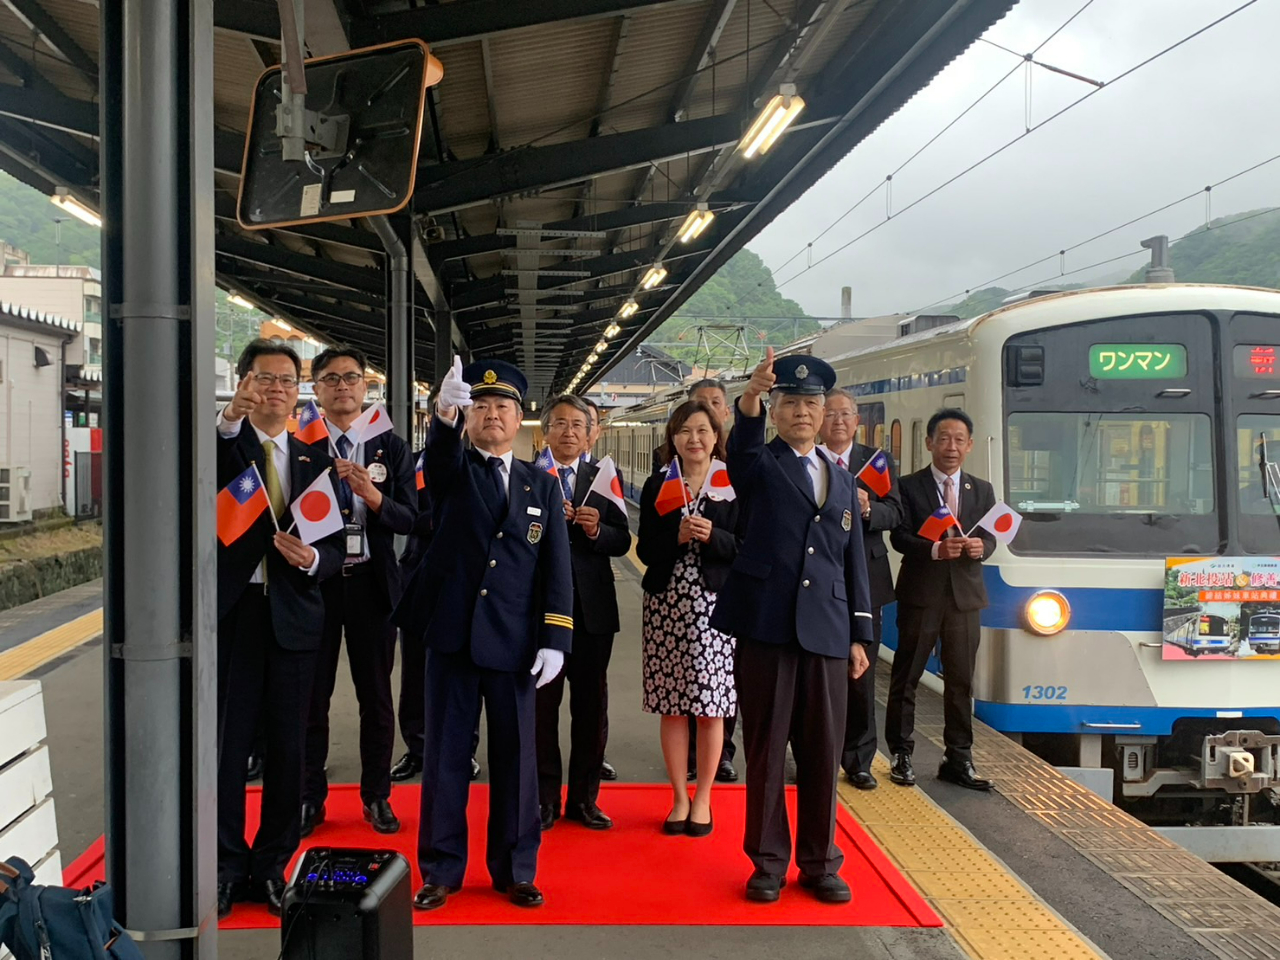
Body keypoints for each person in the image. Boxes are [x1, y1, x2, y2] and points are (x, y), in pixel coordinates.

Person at [394, 357, 573, 911]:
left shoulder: (542, 484)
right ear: (468, 417)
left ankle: (516, 869)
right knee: (445, 757)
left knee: (517, 759)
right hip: (452, 637)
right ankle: (441, 869)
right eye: (480, 406)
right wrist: (444, 416)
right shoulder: (452, 470)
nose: (492, 414)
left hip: (515, 642)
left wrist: (556, 638)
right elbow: (441, 460)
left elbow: (556, 568)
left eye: (503, 407)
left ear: (520, 420)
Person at [710, 349, 873, 905]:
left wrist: (860, 634)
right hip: (767, 627)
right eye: (791, 403)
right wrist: (750, 397)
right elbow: (741, 447)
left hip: (827, 629)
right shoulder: (759, 465)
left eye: (812, 404)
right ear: (775, 412)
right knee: (766, 749)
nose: (802, 412)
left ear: (825, 412)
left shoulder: (842, 479)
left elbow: (852, 562)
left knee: (823, 752)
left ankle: (821, 862)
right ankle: (767, 863)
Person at [215, 340, 344, 920]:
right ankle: (224, 867)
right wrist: (229, 419)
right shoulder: (226, 444)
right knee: (227, 748)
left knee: (290, 751)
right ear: (244, 382)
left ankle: (271, 865)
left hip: (295, 618)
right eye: (264, 378)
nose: (276, 389)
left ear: (299, 394)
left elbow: (337, 546)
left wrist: (314, 561)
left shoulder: (316, 461)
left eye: (287, 381)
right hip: (235, 615)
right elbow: (210, 466)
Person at [300, 347, 417, 838]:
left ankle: (376, 795)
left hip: (373, 584)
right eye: (331, 378)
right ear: (316, 389)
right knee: (312, 697)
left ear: (366, 385)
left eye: (351, 377)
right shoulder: (301, 442)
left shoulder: (390, 446)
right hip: (316, 586)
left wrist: (373, 496)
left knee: (376, 697)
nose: (342, 386)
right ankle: (309, 797)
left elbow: (411, 518)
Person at [637, 400, 740, 837]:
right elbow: (645, 549)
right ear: (673, 439)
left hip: (718, 608)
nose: (693, 439)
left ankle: (704, 798)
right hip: (667, 606)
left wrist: (714, 537)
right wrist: (675, 539)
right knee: (673, 706)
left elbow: (749, 546)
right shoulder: (659, 484)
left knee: (711, 708)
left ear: (716, 437)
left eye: (702, 430)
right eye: (684, 431)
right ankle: (679, 797)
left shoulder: (733, 483)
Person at [886, 408, 996, 792]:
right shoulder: (907, 486)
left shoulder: (981, 490)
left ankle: (959, 758)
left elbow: (990, 536)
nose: (952, 446)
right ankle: (901, 753)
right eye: (944, 439)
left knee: (961, 681)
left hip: (965, 599)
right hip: (921, 595)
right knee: (907, 676)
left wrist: (983, 547)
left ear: (969, 446)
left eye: (959, 440)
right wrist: (934, 550)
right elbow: (898, 537)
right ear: (929, 442)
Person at [536, 395, 632, 831]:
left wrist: (596, 530)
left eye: (578, 424)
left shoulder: (604, 477)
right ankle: (544, 799)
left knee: (591, 708)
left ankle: (584, 799)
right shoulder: (528, 476)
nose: (569, 431)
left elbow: (622, 539)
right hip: (541, 611)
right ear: (545, 431)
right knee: (541, 708)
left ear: (591, 433)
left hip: (593, 611)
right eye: (560, 423)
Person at [818, 388, 903, 791]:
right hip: (818, 580)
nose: (838, 421)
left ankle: (859, 760)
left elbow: (897, 513)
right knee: (817, 674)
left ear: (857, 421)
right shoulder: (809, 460)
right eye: (830, 414)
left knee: (862, 674)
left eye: (845, 414)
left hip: (866, 582)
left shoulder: (876, 462)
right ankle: (817, 756)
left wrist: (868, 508)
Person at [390, 433, 483, 785]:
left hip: (464, 579)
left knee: (464, 671)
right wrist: (441, 518)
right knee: (414, 669)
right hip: (417, 573)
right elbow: (398, 512)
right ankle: (417, 749)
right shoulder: (411, 463)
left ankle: (464, 750)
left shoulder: (479, 465)